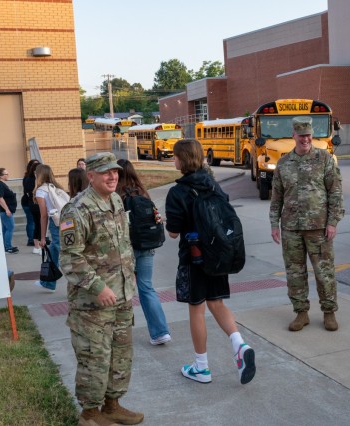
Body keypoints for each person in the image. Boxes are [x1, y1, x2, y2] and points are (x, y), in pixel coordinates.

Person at [59, 152, 143, 426]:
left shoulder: (116, 200)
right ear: (91, 176)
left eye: (115, 172)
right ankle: (90, 415)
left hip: (121, 296)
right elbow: (71, 259)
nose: (113, 176)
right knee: (94, 357)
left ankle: (112, 405)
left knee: (121, 354)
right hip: (92, 304)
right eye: (106, 172)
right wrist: (98, 287)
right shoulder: (77, 210)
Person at [165, 138, 256, 385]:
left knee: (196, 308)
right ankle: (239, 343)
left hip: (193, 258)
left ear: (182, 159)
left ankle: (201, 367)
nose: (173, 160)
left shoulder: (178, 192)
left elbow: (173, 232)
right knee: (217, 303)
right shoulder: (213, 185)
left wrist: (166, 223)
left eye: (175, 156)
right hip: (217, 256)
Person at [269, 116, 344, 332]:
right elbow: (277, 198)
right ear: (293, 135)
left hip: (319, 227)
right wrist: (274, 224)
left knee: (324, 272)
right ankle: (301, 313)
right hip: (291, 227)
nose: (306, 139)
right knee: (295, 273)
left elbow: (335, 192)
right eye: (301, 135)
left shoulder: (324, 159)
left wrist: (332, 222)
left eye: (309, 135)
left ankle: (329, 312)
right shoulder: (283, 163)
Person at [116, 158, 171, 346]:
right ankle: (160, 332)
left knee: (122, 290)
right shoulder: (142, 193)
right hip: (146, 247)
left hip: (125, 250)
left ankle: (120, 334)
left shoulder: (116, 196)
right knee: (146, 288)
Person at [33, 164, 65, 291]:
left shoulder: (41, 191)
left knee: (56, 251)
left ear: (38, 174)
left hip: (55, 222)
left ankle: (49, 282)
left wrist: (42, 237)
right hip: (67, 221)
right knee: (57, 250)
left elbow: (44, 215)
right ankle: (48, 282)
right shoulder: (57, 187)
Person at [0, 167, 19, 254]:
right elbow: (0, 198)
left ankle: (4, 246)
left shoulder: (1, 183)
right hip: (5, 211)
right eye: (6, 174)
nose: (8, 175)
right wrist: (7, 209)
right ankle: (8, 247)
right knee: (10, 227)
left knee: (5, 229)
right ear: (1, 176)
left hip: (6, 210)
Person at [21, 159, 40, 253]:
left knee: (35, 222)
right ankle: (31, 239)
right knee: (32, 222)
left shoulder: (35, 179)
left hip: (31, 203)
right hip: (28, 203)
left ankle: (36, 239)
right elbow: (28, 192)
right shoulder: (28, 178)